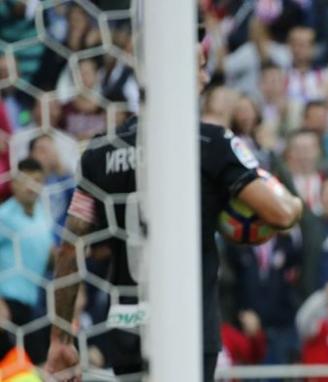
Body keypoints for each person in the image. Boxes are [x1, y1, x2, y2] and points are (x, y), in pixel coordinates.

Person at [44, 49, 304, 381]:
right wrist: (293, 201)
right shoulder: (209, 143)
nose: (206, 78)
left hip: (128, 324)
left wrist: (60, 338)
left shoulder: (100, 151)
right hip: (189, 328)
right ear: (177, 76)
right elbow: (281, 215)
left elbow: (69, 249)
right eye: (199, 68)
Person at [0, 159, 53, 364]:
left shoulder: (42, 213)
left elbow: (45, 253)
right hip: (6, 305)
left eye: (37, 180)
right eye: (26, 180)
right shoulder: (4, 216)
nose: (31, 186)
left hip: (33, 304)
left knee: (37, 365)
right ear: (13, 183)